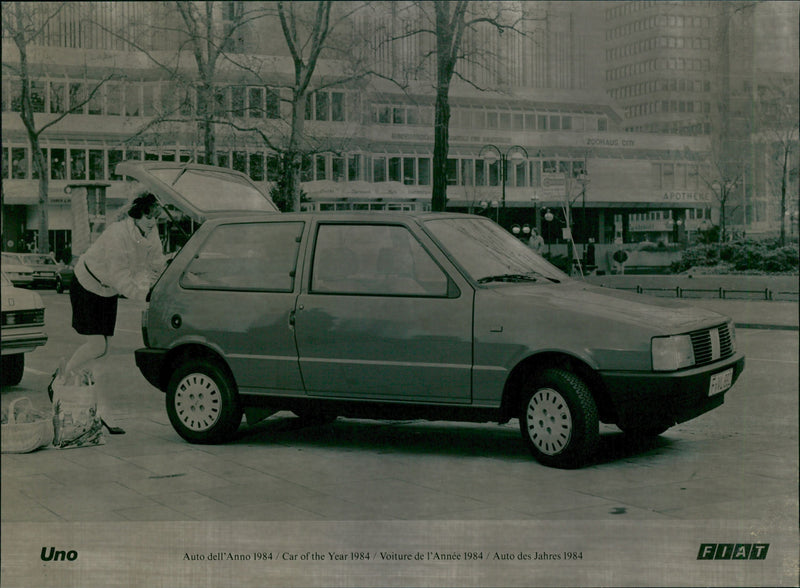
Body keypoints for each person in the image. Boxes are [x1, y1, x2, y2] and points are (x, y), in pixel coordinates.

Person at [49, 192, 167, 435]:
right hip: (87, 284)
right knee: (96, 346)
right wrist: (144, 295)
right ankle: (58, 380)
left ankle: (101, 412)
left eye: (155, 217)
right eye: (148, 216)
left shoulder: (151, 234)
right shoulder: (117, 234)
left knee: (104, 355)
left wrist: (157, 284)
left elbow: (156, 264)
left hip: (108, 291)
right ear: (136, 213)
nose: (152, 222)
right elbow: (119, 275)